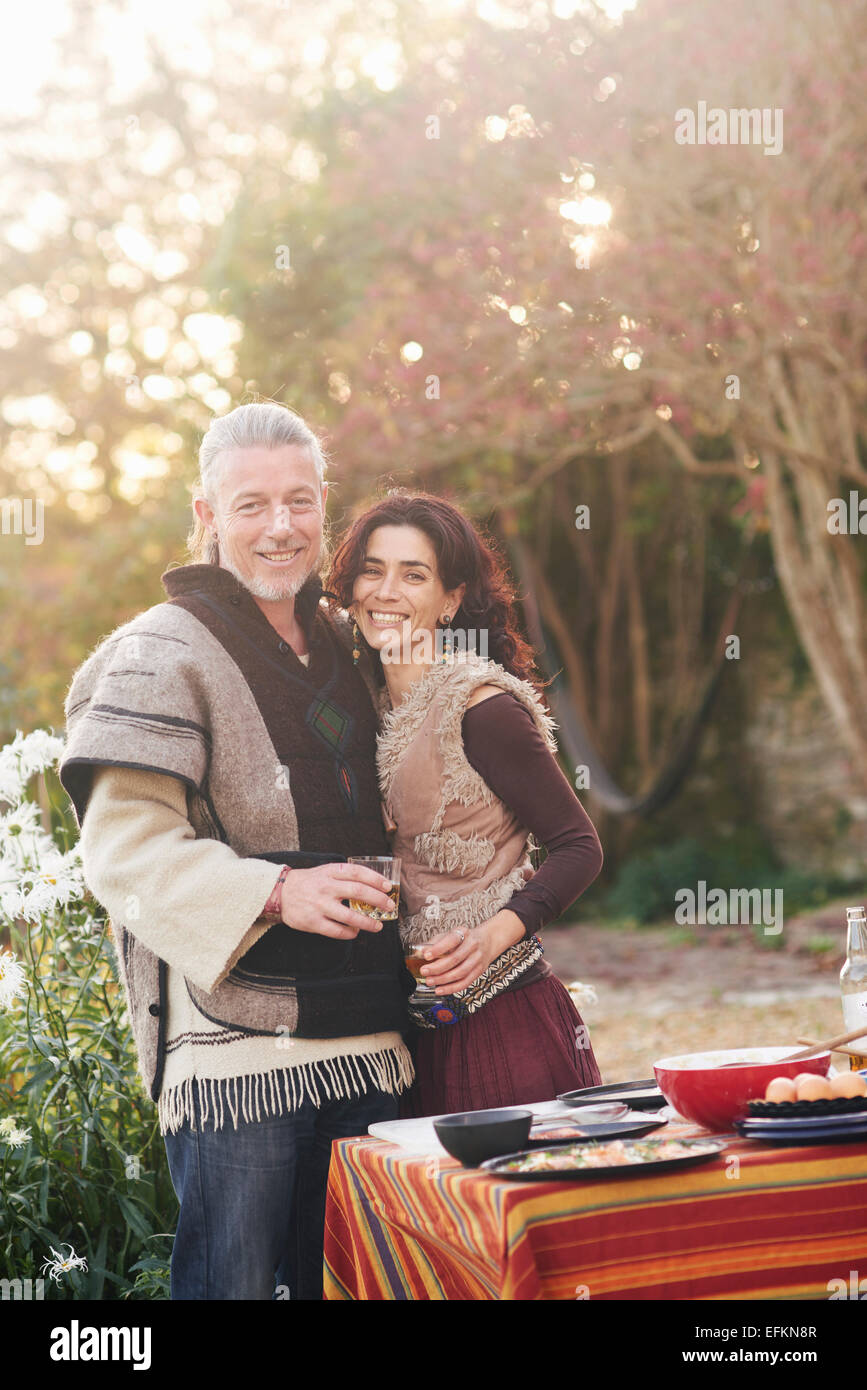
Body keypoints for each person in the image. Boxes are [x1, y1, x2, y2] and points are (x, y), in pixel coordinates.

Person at [58, 403, 414, 1300]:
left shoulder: (350, 639)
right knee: (232, 1291)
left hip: (372, 1036)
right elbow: (125, 852)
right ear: (207, 513)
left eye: (300, 501)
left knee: (359, 1287)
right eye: (251, 505)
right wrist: (276, 892)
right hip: (237, 1060)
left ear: (324, 505)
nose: (281, 526)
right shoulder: (157, 650)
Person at [327, 492, 604, 1117]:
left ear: (450, 600)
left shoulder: (481, 708)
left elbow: (579, 846)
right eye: (373, 569)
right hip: (412, 1033)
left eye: (413, 574)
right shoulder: (360, 711)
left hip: (505, 1020)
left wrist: (492, 936)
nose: (386, 590)